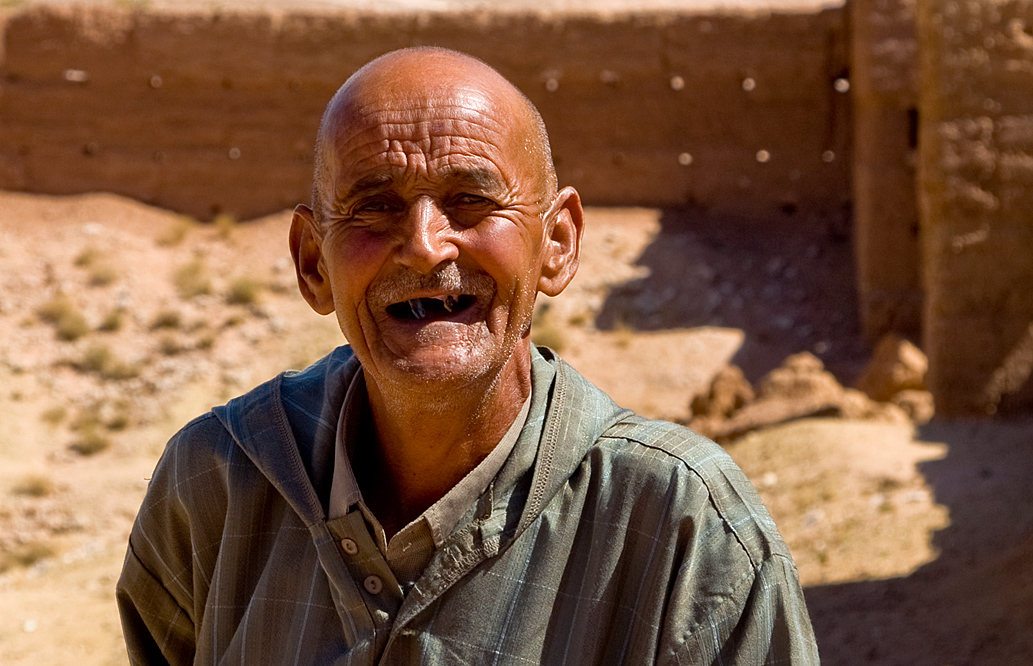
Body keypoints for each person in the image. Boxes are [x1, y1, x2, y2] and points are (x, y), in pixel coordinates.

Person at [117, 47, 819, 665]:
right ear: (312, 266)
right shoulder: (217, 484)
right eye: (374, 207)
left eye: (470, 201)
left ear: (558, 245)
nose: (425, 244)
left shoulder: (679, 527)